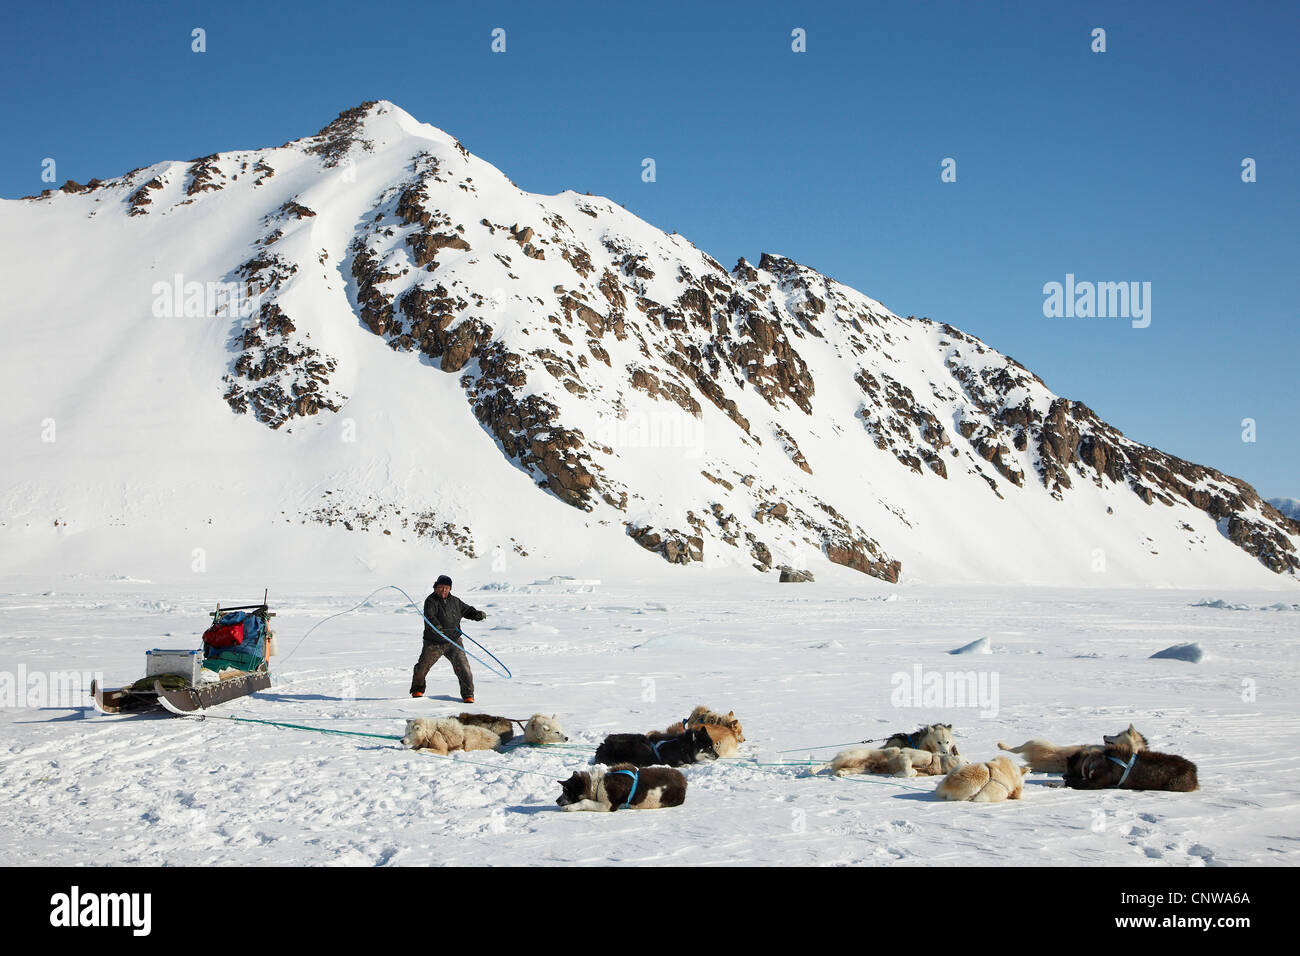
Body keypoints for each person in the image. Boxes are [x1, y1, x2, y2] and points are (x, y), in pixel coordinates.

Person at [409, 575, 487, 702]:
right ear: (436, 587)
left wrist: (476, 614)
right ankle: (417, 689)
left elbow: (466, 610)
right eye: (440, 587)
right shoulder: (430, 601)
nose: (443, 590)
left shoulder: (455, 601)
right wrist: (437, 627)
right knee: (422, 667)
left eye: (446, 588)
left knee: (463, 668)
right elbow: (430, 616)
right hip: (434, 642)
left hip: (453, 641)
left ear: (450, 589)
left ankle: (468, 695)